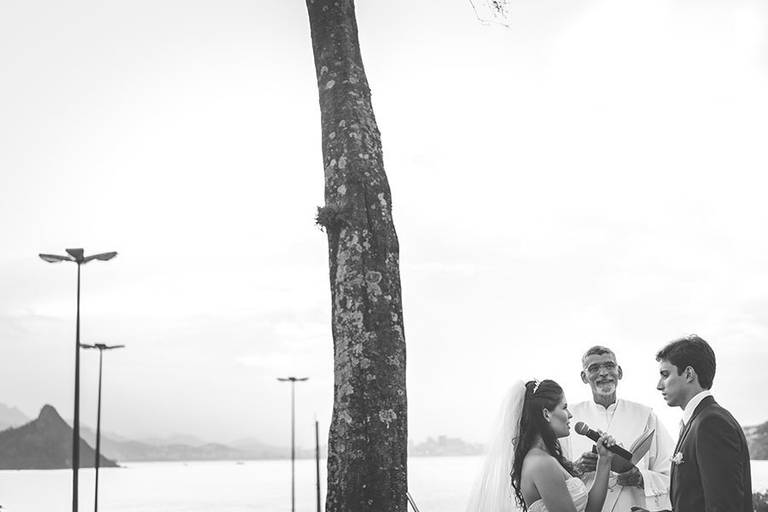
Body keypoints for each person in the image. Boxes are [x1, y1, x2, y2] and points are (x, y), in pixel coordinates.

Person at [633, 335, 752, 512]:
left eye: (665, 375)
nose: (659, 385)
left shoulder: (712, 423)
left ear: (689, 374)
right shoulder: (697, 421)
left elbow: (724, 507)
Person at [466, 379, 617, 512]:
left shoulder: (543, 458)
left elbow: (590, 509)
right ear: (546, 414)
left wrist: (604, 460)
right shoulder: (542, 463)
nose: (570, 414)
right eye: (564, 407)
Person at [562, 346, 673, 512]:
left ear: (619, 372)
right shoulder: (568, 417)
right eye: (594, 368)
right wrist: (576, 468)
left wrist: (641, 478)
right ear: (584, 377)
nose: (603, 373)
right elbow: (551, 476)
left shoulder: (645, 416)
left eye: (609, 366)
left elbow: (671, 474)